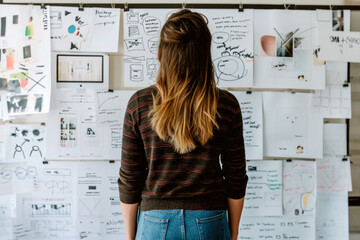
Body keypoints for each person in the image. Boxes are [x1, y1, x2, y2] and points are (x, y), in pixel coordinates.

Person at [118, 9, 248, 240]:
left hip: (154, 221)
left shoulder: (139, 104)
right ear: (205, 56)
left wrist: (131, 236)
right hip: (210, 219)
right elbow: (236, 178)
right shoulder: (227, 105)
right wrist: (233, 233)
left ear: (160, 54)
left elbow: (130, 180)